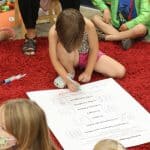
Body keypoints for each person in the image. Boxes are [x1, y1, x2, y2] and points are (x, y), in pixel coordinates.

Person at [48, 9, 126, 92]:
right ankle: (70, 72)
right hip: (67, 57)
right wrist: (67, 80)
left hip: (87, 55)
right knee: (61, 47)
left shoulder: (88, 25)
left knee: (120, 71)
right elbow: (55, 60)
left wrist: (88, 71)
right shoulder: (53, 32)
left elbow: (94, 49)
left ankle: (80, 68)